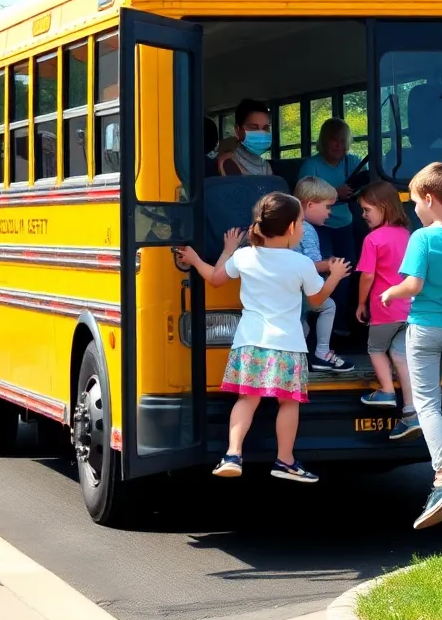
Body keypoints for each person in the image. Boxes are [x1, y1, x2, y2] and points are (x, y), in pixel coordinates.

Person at [178, 193, 351, 483]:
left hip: (250, 341)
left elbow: (216, 278)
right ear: (292, 228)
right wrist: (334, 275)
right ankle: (285, 461)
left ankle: (233, 454)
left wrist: (199, 258)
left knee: (247, 399)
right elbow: (317, 297)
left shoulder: (245, 256)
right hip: (287, 343)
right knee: (288, 402)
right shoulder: (300, 264)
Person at [379, 162, 442, 530]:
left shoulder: (423, 237)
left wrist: (390, 292)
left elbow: (413, 285)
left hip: (425, 327)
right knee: (433, 392)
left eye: (414, 200)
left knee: (425, 404)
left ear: (429, 199)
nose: (413, 207)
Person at [354, 181, 417, 440]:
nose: (363, 215)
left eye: (367, 210)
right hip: (408, 307)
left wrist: (360, 303)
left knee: (376, 349)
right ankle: (411, 411)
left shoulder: (373, 239)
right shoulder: (407, 234)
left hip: (384, 308)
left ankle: (387, 391)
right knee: (401, 357)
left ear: (383, 208)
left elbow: (367, 276)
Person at [298, 119, 361, 324]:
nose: (339, 146)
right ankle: (320, 321)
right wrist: (336, 192)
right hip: (319, 227)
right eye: (334, 140)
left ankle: (341, 322)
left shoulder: (353, 162)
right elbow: (302, 195)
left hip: (345, 223)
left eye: (343, 141)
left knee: (347, 272)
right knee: (323, 271)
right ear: (323, 141)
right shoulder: (311, 165)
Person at [292, 177, 354, 373]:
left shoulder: (287, 223)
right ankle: (321, 353)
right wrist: (330, 265)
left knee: (303, 327)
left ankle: (298, 361)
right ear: (310, 204)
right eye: (327, 207)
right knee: (328, 306)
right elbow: (309, 265)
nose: (330, 213)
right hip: (299, 290)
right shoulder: (306, 229)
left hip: (287, 290)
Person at [216, 99, 272, 176]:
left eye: (265, 128)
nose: (261, 133)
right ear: (238, 131)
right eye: (253, 128)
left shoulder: (266, 166)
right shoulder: (228, 162)